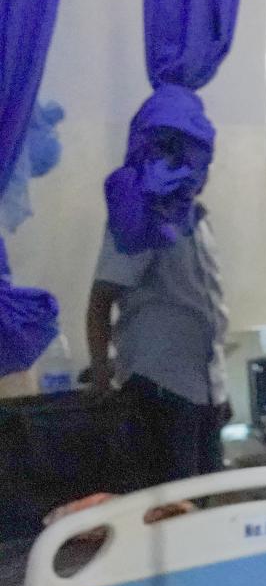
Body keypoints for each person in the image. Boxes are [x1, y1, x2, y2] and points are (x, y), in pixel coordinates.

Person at [85, 88, 229, 480]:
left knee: (204, 503)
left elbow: (205, 309)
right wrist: (103, 376)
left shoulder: (198, 221)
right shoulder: (139, 218)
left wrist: (221, 391)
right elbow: (100, 302)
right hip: (159, 390)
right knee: (169, 511)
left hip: (203, 390)